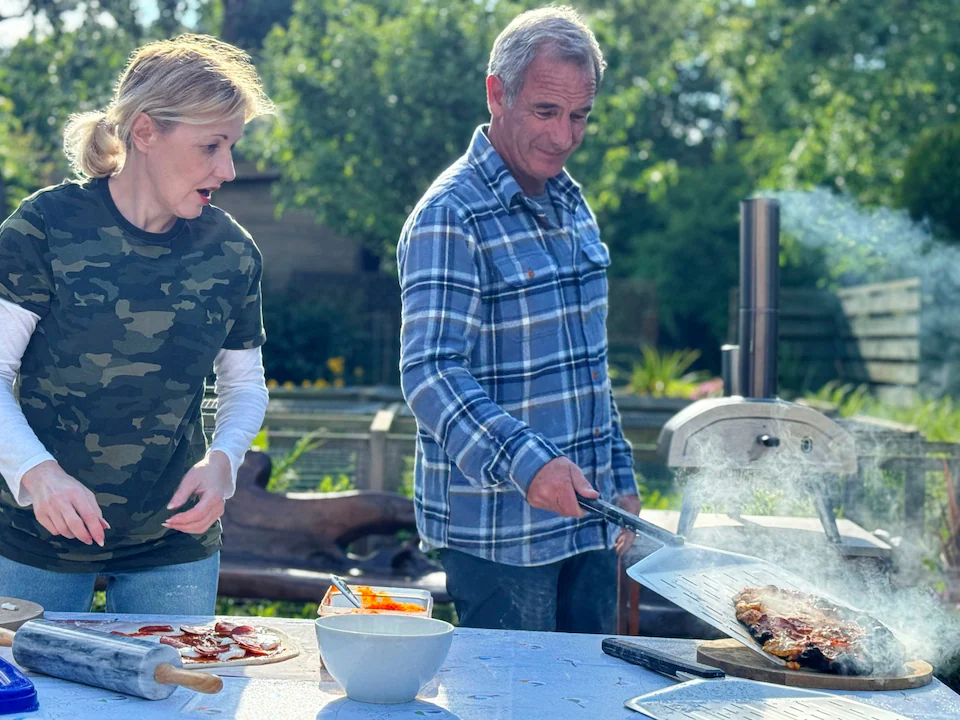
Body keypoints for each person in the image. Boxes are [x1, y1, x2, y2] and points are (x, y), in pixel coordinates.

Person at [0, 35, 273, 615]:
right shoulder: (45, 227)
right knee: (31, 703)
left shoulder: (232, 252)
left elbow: (244, 385)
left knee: (177, 703)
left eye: (231, 147)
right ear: (146, 132)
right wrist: (39, 474)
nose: (227, 169)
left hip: (175, 544)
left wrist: (222, 462)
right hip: (36, 540)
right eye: (211, 146)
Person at [398, 6, 641, 634]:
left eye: (579, 116)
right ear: (497, 93)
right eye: (546, 112)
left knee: (589, 698)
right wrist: (528, 464)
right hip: (498, 535)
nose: (564, 136)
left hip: (590, 520)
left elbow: (589, 365)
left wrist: (619, 474)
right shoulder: (452, 214)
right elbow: (429, 373)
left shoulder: (572, 203)